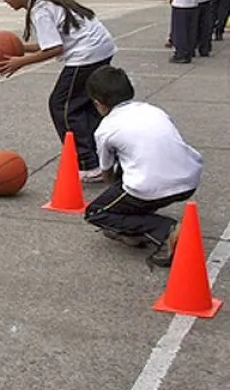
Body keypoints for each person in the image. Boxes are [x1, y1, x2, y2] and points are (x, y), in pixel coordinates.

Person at [0, 0, 115, 182]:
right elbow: (50, 43)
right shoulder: (46, 1)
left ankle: (89, 165)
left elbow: (54, 49)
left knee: (62, 105)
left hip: (87, 54)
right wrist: (21, 49)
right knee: (86, 106)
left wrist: (21, 62)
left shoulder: (40, 9)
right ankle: (105, 157)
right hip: (100, 48)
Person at [83, 66, 202, 268]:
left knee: (96, 212)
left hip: (149, 187)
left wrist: (115, 192)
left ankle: (166, 228)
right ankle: (135, 229)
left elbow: (106, 171)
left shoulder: (105, 129)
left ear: (98, 104)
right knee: (129, 166)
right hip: (189, 180)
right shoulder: (153, 110)